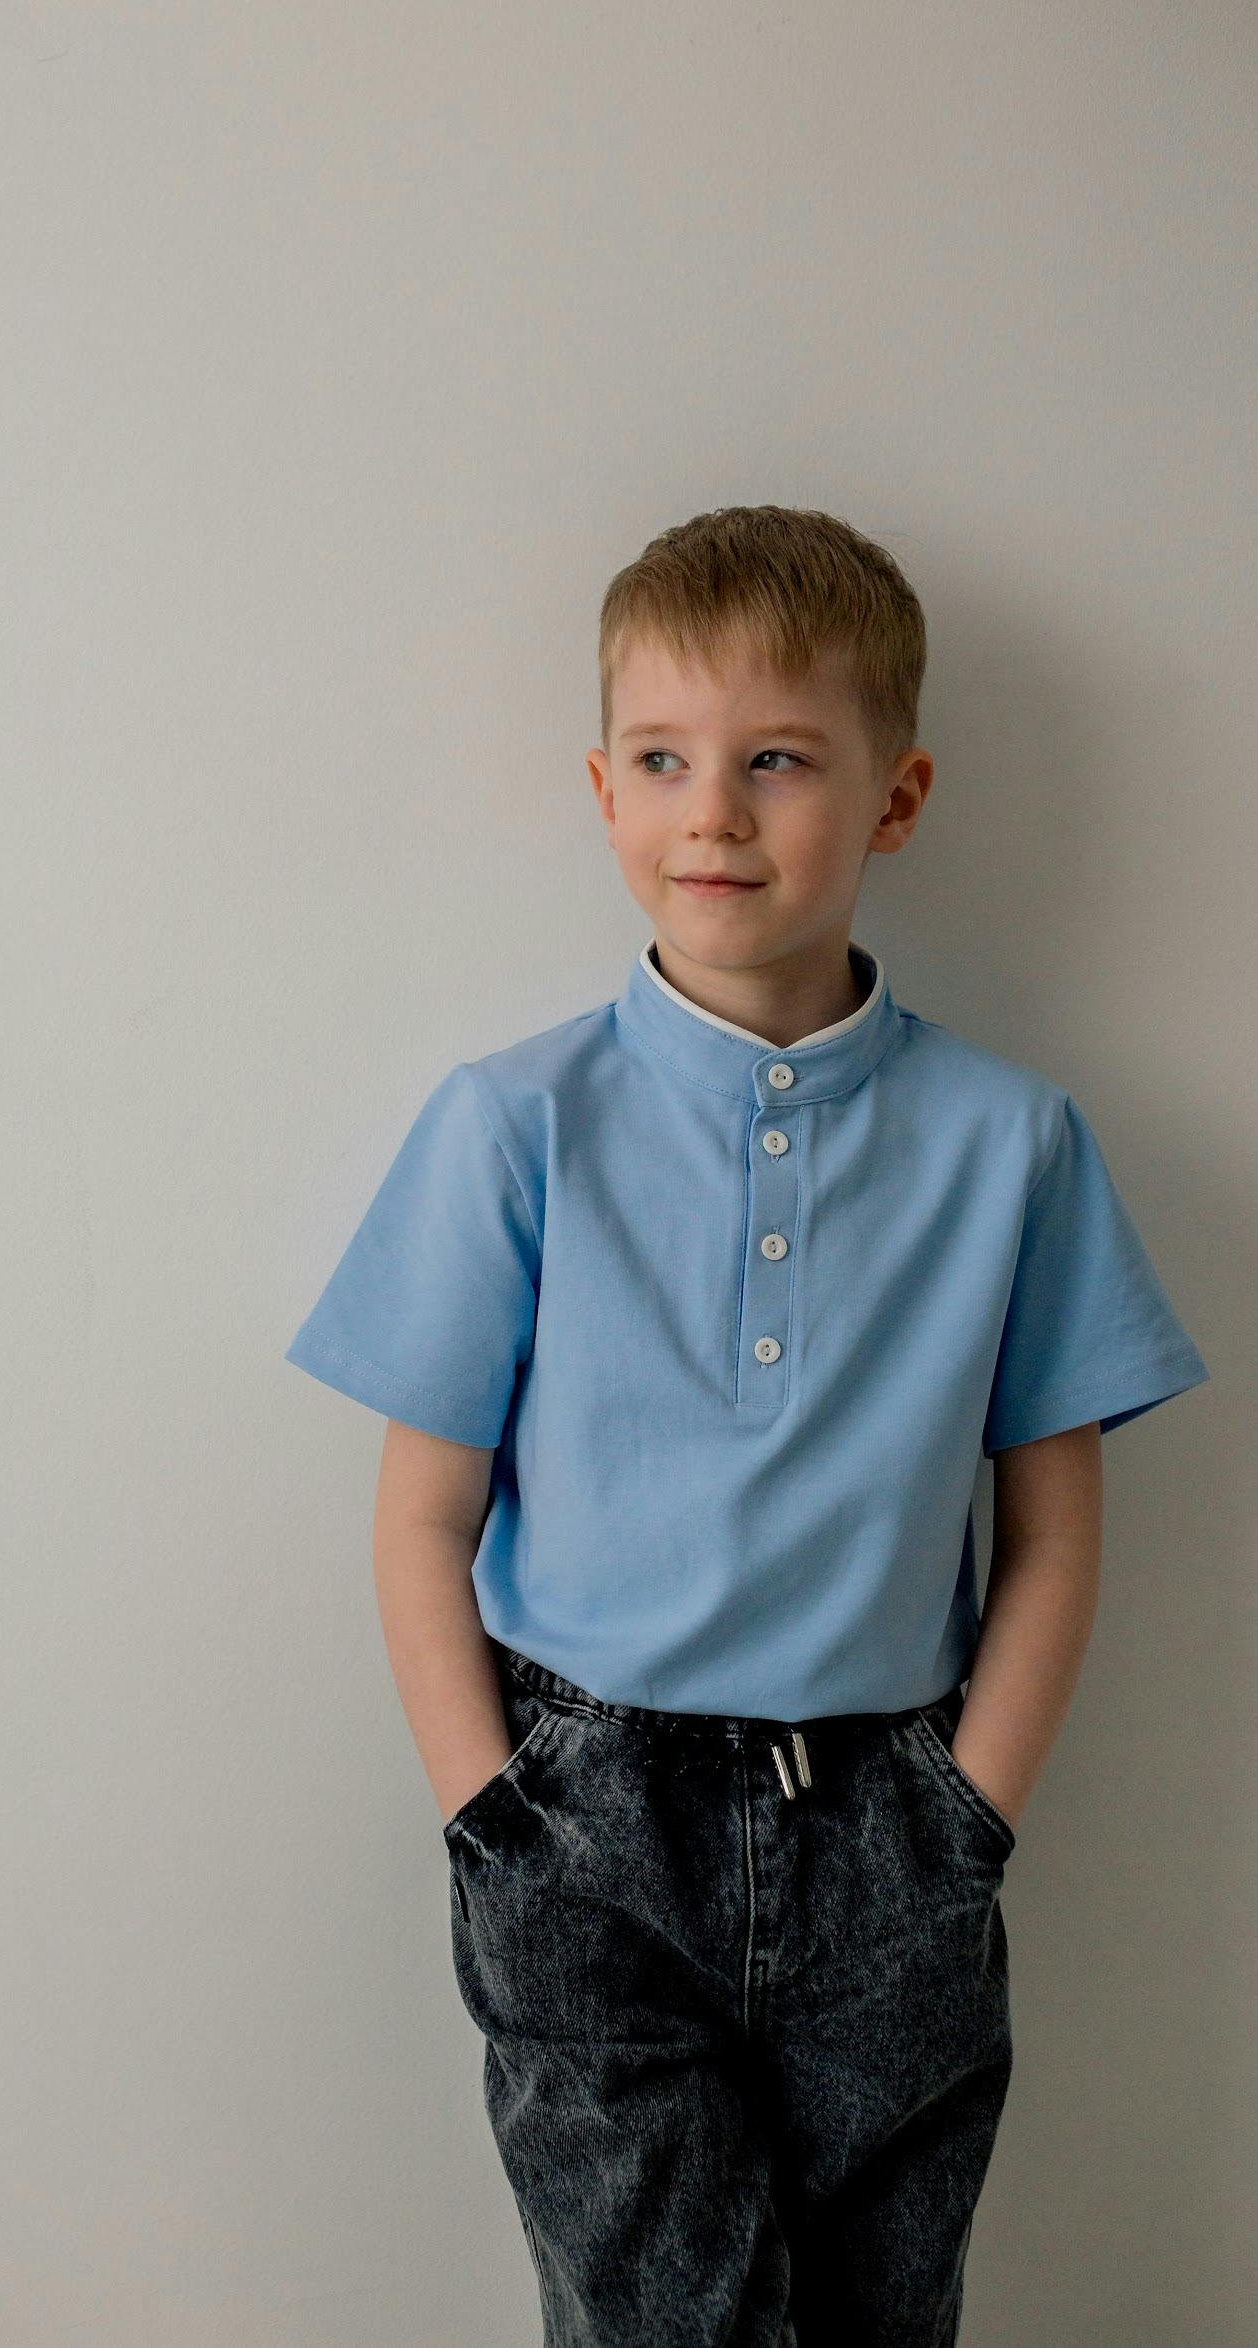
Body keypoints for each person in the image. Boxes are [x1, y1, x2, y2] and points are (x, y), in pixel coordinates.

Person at [281, 504, 1210, 2347]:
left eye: (779, 759)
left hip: (895, 1826)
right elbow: (418, 1519)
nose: (715, 809)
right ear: (605, 791)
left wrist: (966, 1815)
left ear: (897, 796)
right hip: (588, 1825)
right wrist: (494, 1821)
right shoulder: (513, 1126)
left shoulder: (1013, 1144)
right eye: (664, 760)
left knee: (883, 2316)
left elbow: (1055, 1530)